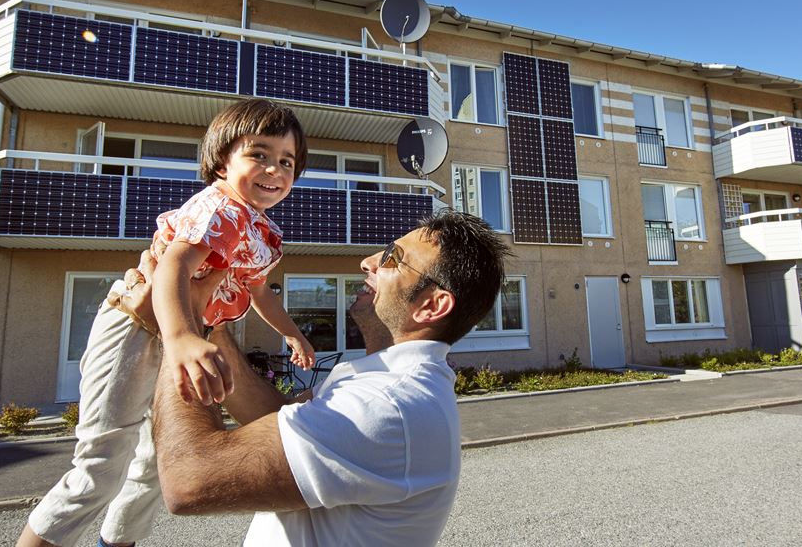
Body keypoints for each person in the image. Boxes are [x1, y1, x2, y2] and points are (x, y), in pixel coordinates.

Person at [18, 99, 316, 547]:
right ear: (221, 161)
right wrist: (179, 337)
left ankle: (116, 543)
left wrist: (290, 331)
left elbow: (257, 293)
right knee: (101, 463)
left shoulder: (263, 234)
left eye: (286, 162)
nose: (274, 169)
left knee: (150, 467)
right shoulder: (221, 208)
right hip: (139, 327)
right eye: (259, 155)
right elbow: (175, 262)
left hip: (183, 335)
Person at [120, 209, 511, 546]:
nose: (369, 262)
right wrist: (209, 323)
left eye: (393, 258)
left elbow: (190, 479)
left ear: (431, 305)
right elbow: (273, 426)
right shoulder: (378, 380)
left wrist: (177, 327)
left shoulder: (388, 403)